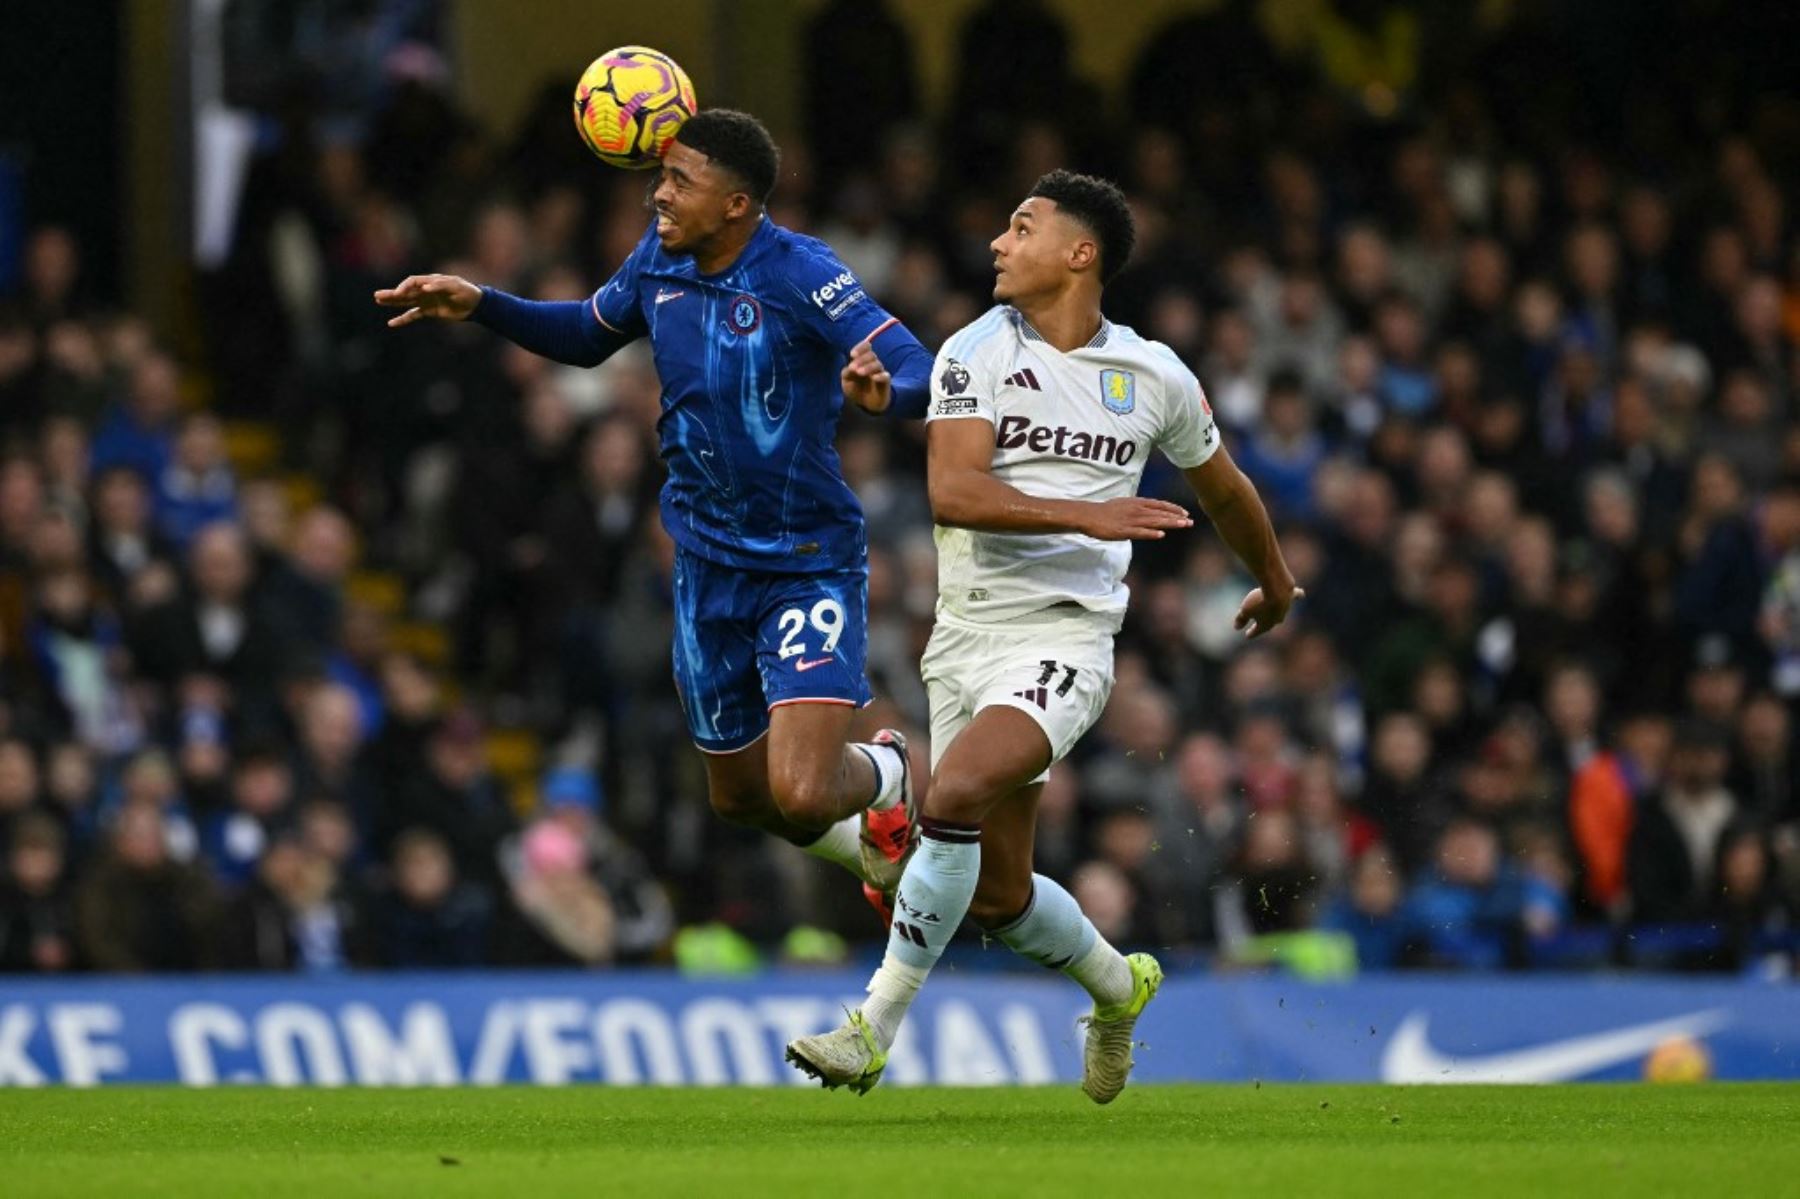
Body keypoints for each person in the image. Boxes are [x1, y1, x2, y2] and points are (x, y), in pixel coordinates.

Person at [788, 171, 1300, 1101]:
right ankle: (1117, 985)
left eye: (1021, 227)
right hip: (966, 634)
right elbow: (956, 492)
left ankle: (872, 1026)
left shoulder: (1153, 375)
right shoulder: (972, 351)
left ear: (1080, 253)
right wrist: (1089, 515)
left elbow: (1223, 484)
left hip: (1065, 638)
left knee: (959, 789)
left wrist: (1273, 578)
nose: (997, 243)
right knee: (998, 896)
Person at [375, 110, 931, 921]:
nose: (656, 195)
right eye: (659, 177)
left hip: (804, 559)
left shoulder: (802, 270)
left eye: (679, 182)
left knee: (804, 792)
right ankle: (873, 846)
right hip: (707, 565)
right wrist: (482, 303)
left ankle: (886, 773)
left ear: (737, 204)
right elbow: (589, 334)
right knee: (740, 798)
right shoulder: (659, 261)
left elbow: (913, 357)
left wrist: (888, 391)